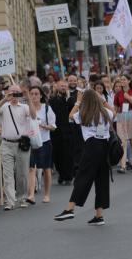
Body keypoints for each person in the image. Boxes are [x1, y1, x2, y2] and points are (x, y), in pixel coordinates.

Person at [54, 89, 114, 226]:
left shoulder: (84, 113)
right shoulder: (106, 112)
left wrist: (78, 101)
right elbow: (114, 112)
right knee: (101, 180)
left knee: (83, 176)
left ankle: (70, 208)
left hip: (91, 145)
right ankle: (99, 215)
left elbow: (70, 116)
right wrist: (103, 100)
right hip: (104, 146)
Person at [0, 85, 30, 210]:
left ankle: (22, 198)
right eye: (12, 93)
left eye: (17, 93)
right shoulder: (4, 106)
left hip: (21, 144)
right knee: (7, 174)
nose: (15, 95)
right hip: (6, 144)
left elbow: (32, 114)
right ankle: (10, 201)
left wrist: (28, 99)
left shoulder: (24, 107)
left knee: (22, 174)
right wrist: (5, 99)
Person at [27, 85, 56, 204]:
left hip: (44, 141)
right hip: (30, 142)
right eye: (32, 94)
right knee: (31, 168)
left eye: (36, 94)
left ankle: (47, 194)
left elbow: (53, 126)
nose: (34, 96)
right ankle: (31, 195)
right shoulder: (26, 108)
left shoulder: (47, 108)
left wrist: (44, 126)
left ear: (40, 96)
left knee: (46, 168)